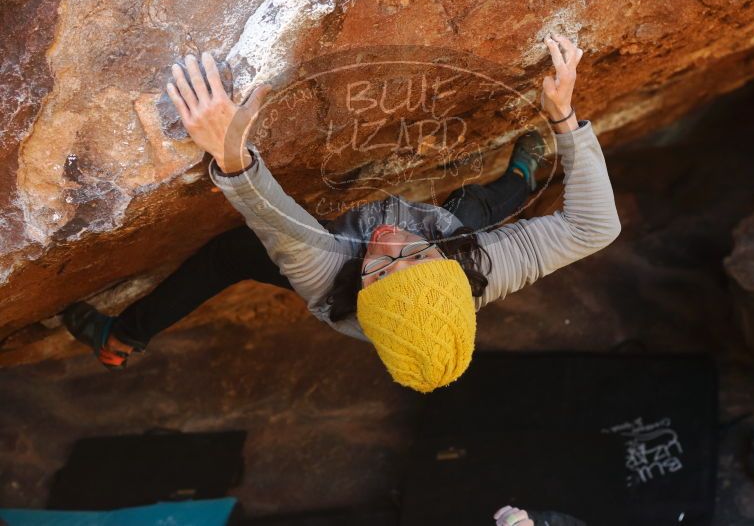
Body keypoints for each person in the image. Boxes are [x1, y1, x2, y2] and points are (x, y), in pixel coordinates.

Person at [64, 33, 620, 393]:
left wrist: (230, 152)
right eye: (411, 256)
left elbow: (271, 216)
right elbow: (595, 227)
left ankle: (121, 337)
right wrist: (564, 118)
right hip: (453, 244)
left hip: (334, 259)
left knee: (230, 254)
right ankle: (524, 174)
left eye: (381, 269)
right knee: (486, 206)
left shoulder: (328, 278)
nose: (386, 241)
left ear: (365, 292)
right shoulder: (479, 270)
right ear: (452, 276)